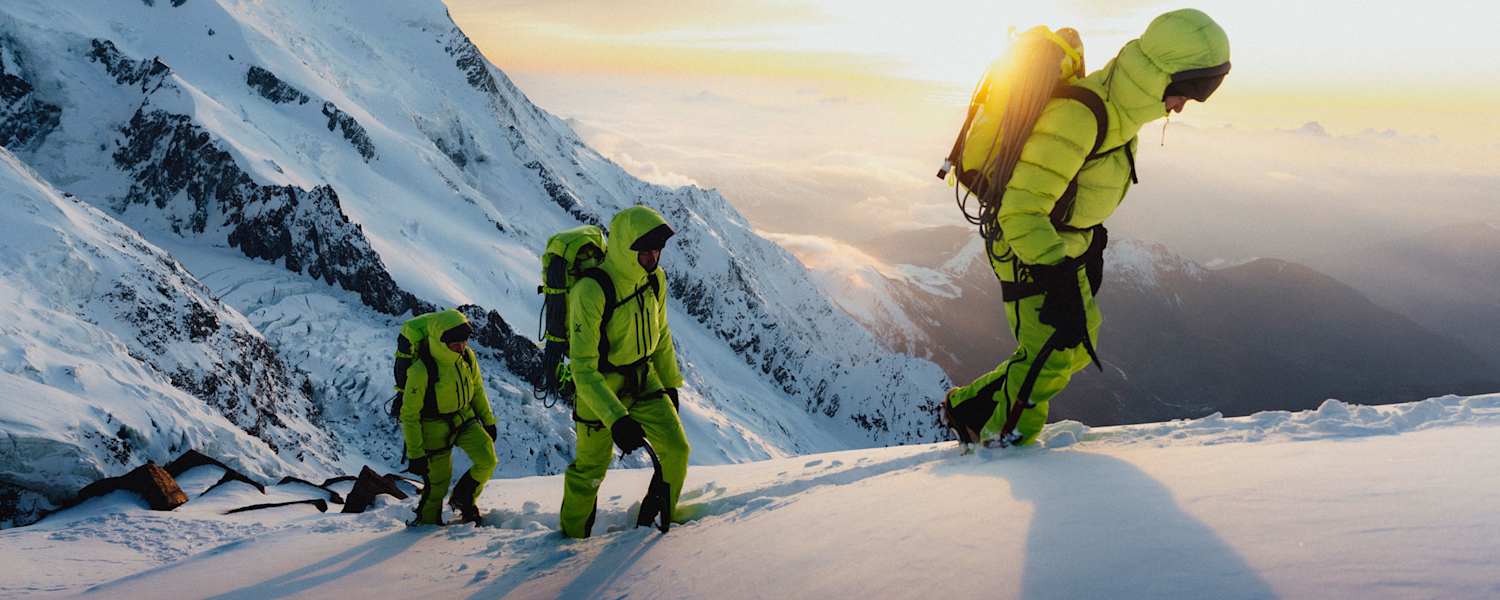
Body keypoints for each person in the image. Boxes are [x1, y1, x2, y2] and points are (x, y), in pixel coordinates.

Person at [942, 9, 1231, 447]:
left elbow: (1075, 192)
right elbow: (1020, 211)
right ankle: (1001, 442)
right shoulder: (1082, 118)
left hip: (1060, 246)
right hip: (1027, 251)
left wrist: (1090, 240)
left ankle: (968, 409)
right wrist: (1055, 276)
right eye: (1186, 93)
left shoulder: (1120, 116)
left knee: (1075, 346)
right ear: (1163, 77)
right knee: (1051, 350)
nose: (1181, 106)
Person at [559, 205, 690, 538]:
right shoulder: (591, 290)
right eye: (644, 249)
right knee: (589, 471)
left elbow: (661, 337)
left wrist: (671, 383)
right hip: (599, 388)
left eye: (657, 248)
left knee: (676, 450)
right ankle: (569, 540)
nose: (653, 255)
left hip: (643, 379)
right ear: (624, 247)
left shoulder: (654, 280)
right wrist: (616, 418)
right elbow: (583, 370)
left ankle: (656, 522)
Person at [397, 308, 498, 525]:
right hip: (433, 425)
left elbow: (477, 389)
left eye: (464, 341)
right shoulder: (421, 370)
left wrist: (488, 420)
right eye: (455, 343)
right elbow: (410, 415)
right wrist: (415, 454)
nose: (461, 347)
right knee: (438, 484)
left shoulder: (467, 357)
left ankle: (464, 499)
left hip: (464, 417)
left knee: (487, 460)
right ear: (441, 340)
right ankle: (425, 525)